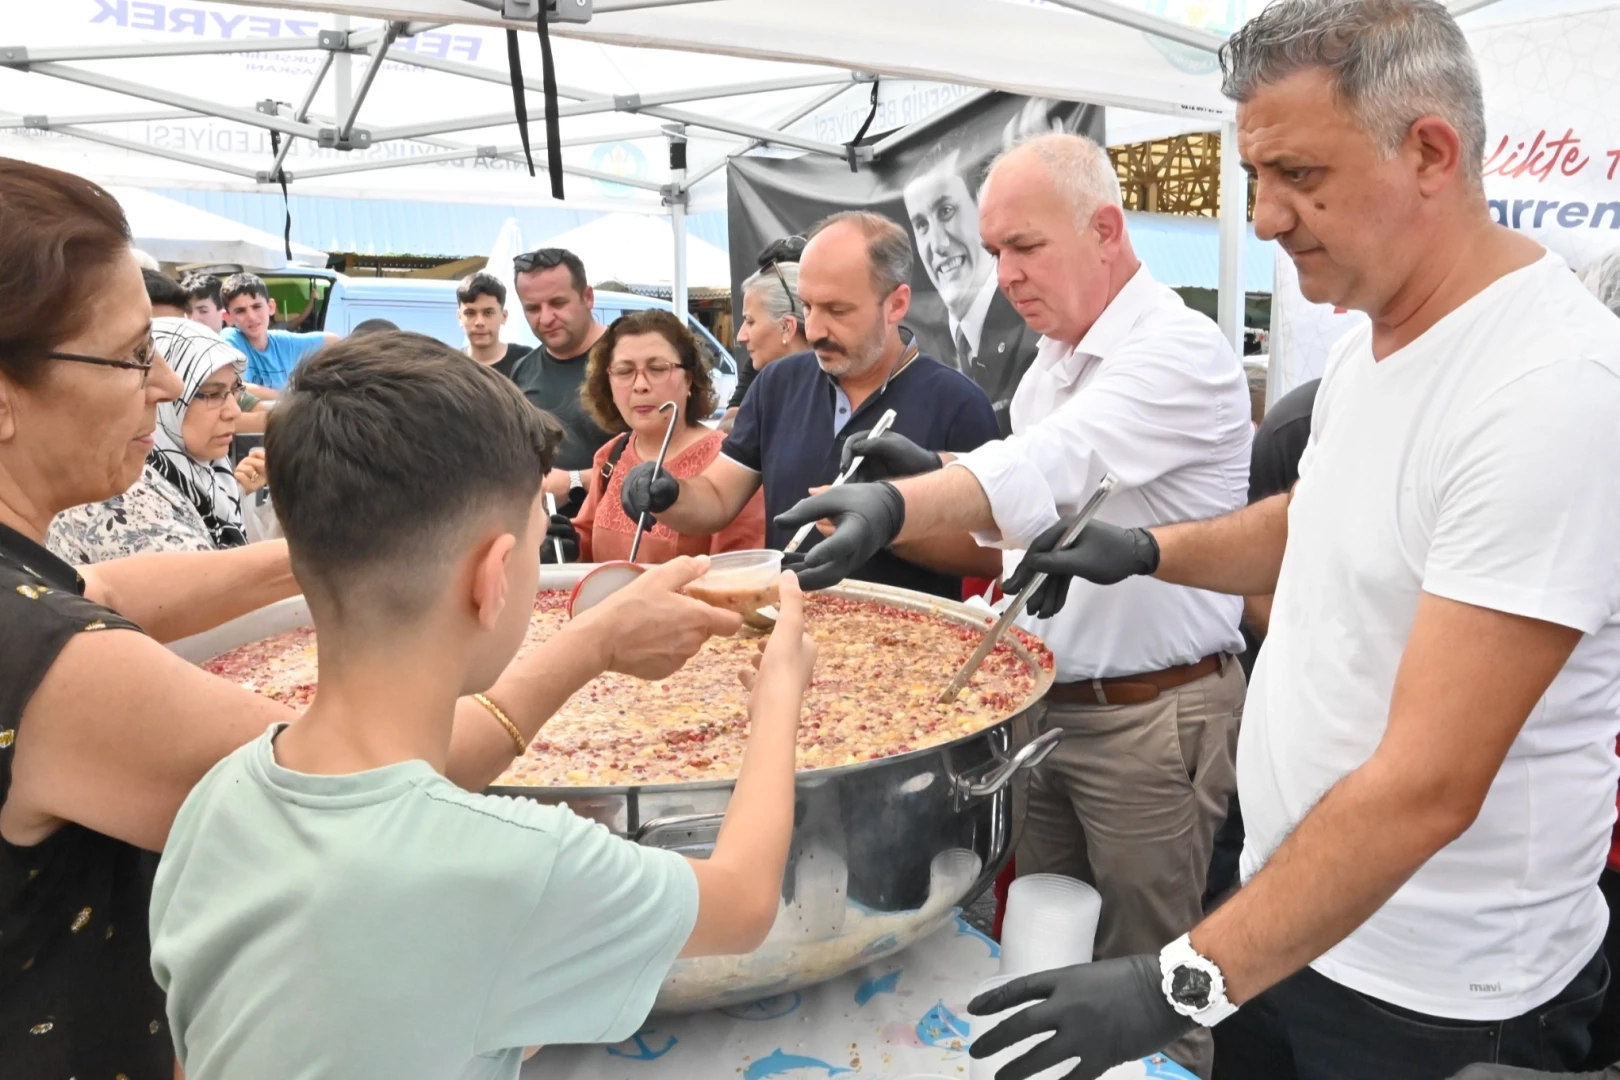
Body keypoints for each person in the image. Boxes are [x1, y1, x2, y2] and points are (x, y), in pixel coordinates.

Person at [953, 3, 1620, 1078]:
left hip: (1432, 995)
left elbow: (1429, 784)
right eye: (1255, 176)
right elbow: (1316, 520)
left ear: (1431, 153)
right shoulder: (1376, 340)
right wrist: (1148, 551)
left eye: (1299, 174)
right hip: (1291, 920)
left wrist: (1176, 981)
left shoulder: (1548, 391)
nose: (1264, 217)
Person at [0, 158, 736, 1080]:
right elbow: (373, 777)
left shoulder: (28, 593)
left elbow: (102, 589)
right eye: (128, 353)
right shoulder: (55, 664)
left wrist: (364, 529)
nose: (160, 384)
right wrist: (590, 644)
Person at [148, 332, 817, 1079]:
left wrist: (596, 640)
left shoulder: (217, 796)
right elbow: (744, 903)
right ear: (493, 577)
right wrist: (778, 697)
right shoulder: (510, 867)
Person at [779, 133, 1251, 1078]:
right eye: (995, 251)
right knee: (1037, 956)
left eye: (1025, 247)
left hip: (1150, 719)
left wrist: (900, 501)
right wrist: (938, 474)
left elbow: (1054, 463)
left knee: (1152, 983)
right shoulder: (1051, 363)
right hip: (1048, 706)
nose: (1005, 275)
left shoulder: (1177, 351)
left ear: (1105, 230)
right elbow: (1019, 505)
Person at [621, 211, 1002, 601]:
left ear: (896, 304)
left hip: (909, 631)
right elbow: (717, 497)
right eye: (806, 306)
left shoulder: (958, 403)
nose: (816, 330)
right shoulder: (778, 383)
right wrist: (670, 494)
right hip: (786, 622)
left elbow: (991, 556)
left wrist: (884, 524)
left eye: (837, 310)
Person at [47, 318, 267, 562]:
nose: (234, 411)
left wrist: (253, 498)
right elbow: (218, 580)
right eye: (213, 394)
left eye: (234, 390)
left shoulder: (211, 473)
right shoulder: (124, 491)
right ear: (166, 404)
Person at [567, 309, 766, 564]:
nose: (640, 385)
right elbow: (586, 541)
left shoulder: (729, 462)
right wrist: (565, 545)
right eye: (624, 371)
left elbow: (739, 569)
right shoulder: (612, 454)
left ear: (689, 379)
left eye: (658, 368)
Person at [902, 143, 1032, 433]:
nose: (937, 244)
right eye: (921, 225)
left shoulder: (1036, 326)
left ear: (983, 209)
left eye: (946, 211)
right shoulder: (916, 347)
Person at [509, 247, 614, 512]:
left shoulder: (629, 361)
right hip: (547, 532)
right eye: (533, 308)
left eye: (557, 303)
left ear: (587, 297)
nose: (546, 318)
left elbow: (664, 461)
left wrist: (575, 481)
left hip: (622, 529)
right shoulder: (523, 370)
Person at [725, 238, 810, 430]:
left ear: (787, 326)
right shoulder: (763, 376)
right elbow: (727, 426)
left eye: (750, 321)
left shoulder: (840, 387)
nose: (740, 337)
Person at [219, 272, 336, 391]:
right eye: (240, 311)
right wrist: (287, 399)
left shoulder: (284, 342)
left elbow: (333, 340)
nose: (251, 317)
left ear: (271, 307)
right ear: (228, 317)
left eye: (256, 307)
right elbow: (236, 387)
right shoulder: (230, 338)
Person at [458, 270, 531, 379]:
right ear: (459, 318)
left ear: (504, 316)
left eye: (488, 313)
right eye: (470, 313)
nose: (479, 322)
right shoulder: (451, 367)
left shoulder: (527, 361)